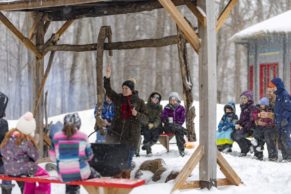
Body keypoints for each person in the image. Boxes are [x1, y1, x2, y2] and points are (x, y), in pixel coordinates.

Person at [103, 64, 147, 172]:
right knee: (111, 158)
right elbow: (108, 90)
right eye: (123, 88)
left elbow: (146, 119)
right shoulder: (119, 98)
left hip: (131, 136)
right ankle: (113, 177)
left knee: (126, 161)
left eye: (126, 88)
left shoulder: (140, 102)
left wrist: (137, 114)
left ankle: (126, 177)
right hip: (116, 133)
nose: (124, 90)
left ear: (132, 89)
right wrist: (107, 77)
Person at [0, 112, 50, 194]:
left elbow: (2, 151)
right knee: (44, 176)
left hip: (7, 169)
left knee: (30, 176)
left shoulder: (8, 137)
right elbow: (35, 156)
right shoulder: (27, 141)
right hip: (22, 169)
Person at [49, 113, 100, 194]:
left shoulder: (56, 137)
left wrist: (66, 160)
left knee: (69, 176)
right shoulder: (83, 136)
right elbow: (90, 156)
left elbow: (52, 157)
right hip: (81, 172)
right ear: (78, 124)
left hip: (64, 174)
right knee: (96, 176)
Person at [271, 78, 291, 161]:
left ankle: (289, 156)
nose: (272, 88)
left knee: (285, 139)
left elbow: (288, 108)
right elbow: (277, 109)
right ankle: (285, 156)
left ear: (277, 86)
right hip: (279, 122)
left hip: (285, 122)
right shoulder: (278, 95)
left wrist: (285, 119)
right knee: (280, 139)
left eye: (273, 86)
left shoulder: (284, 94)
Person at [161, 92, 186, 157]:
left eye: (174, 100)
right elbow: (163, 117)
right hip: (168, 127)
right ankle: (185, 131)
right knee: (179, 130)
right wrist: (165, 119)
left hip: (178, 128)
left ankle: (181, 150)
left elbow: (182, 119)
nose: (173, 101)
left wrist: (177, 124)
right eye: (171, 100)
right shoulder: (167, 108)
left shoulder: (181, 108)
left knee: (179, 132)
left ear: (177, 100)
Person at [232, 90, 256, 157]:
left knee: (237, 135)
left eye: (245, 98)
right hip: (244, 127)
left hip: (251, 128)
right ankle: (249, 145)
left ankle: (244, 150)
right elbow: (242, 119)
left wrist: (243, 127)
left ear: (249, 98)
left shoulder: (252, 107)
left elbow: (251, 120)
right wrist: (238, 123)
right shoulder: (243, 107)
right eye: (242, 98)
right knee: (232, 134)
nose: (243, 100)